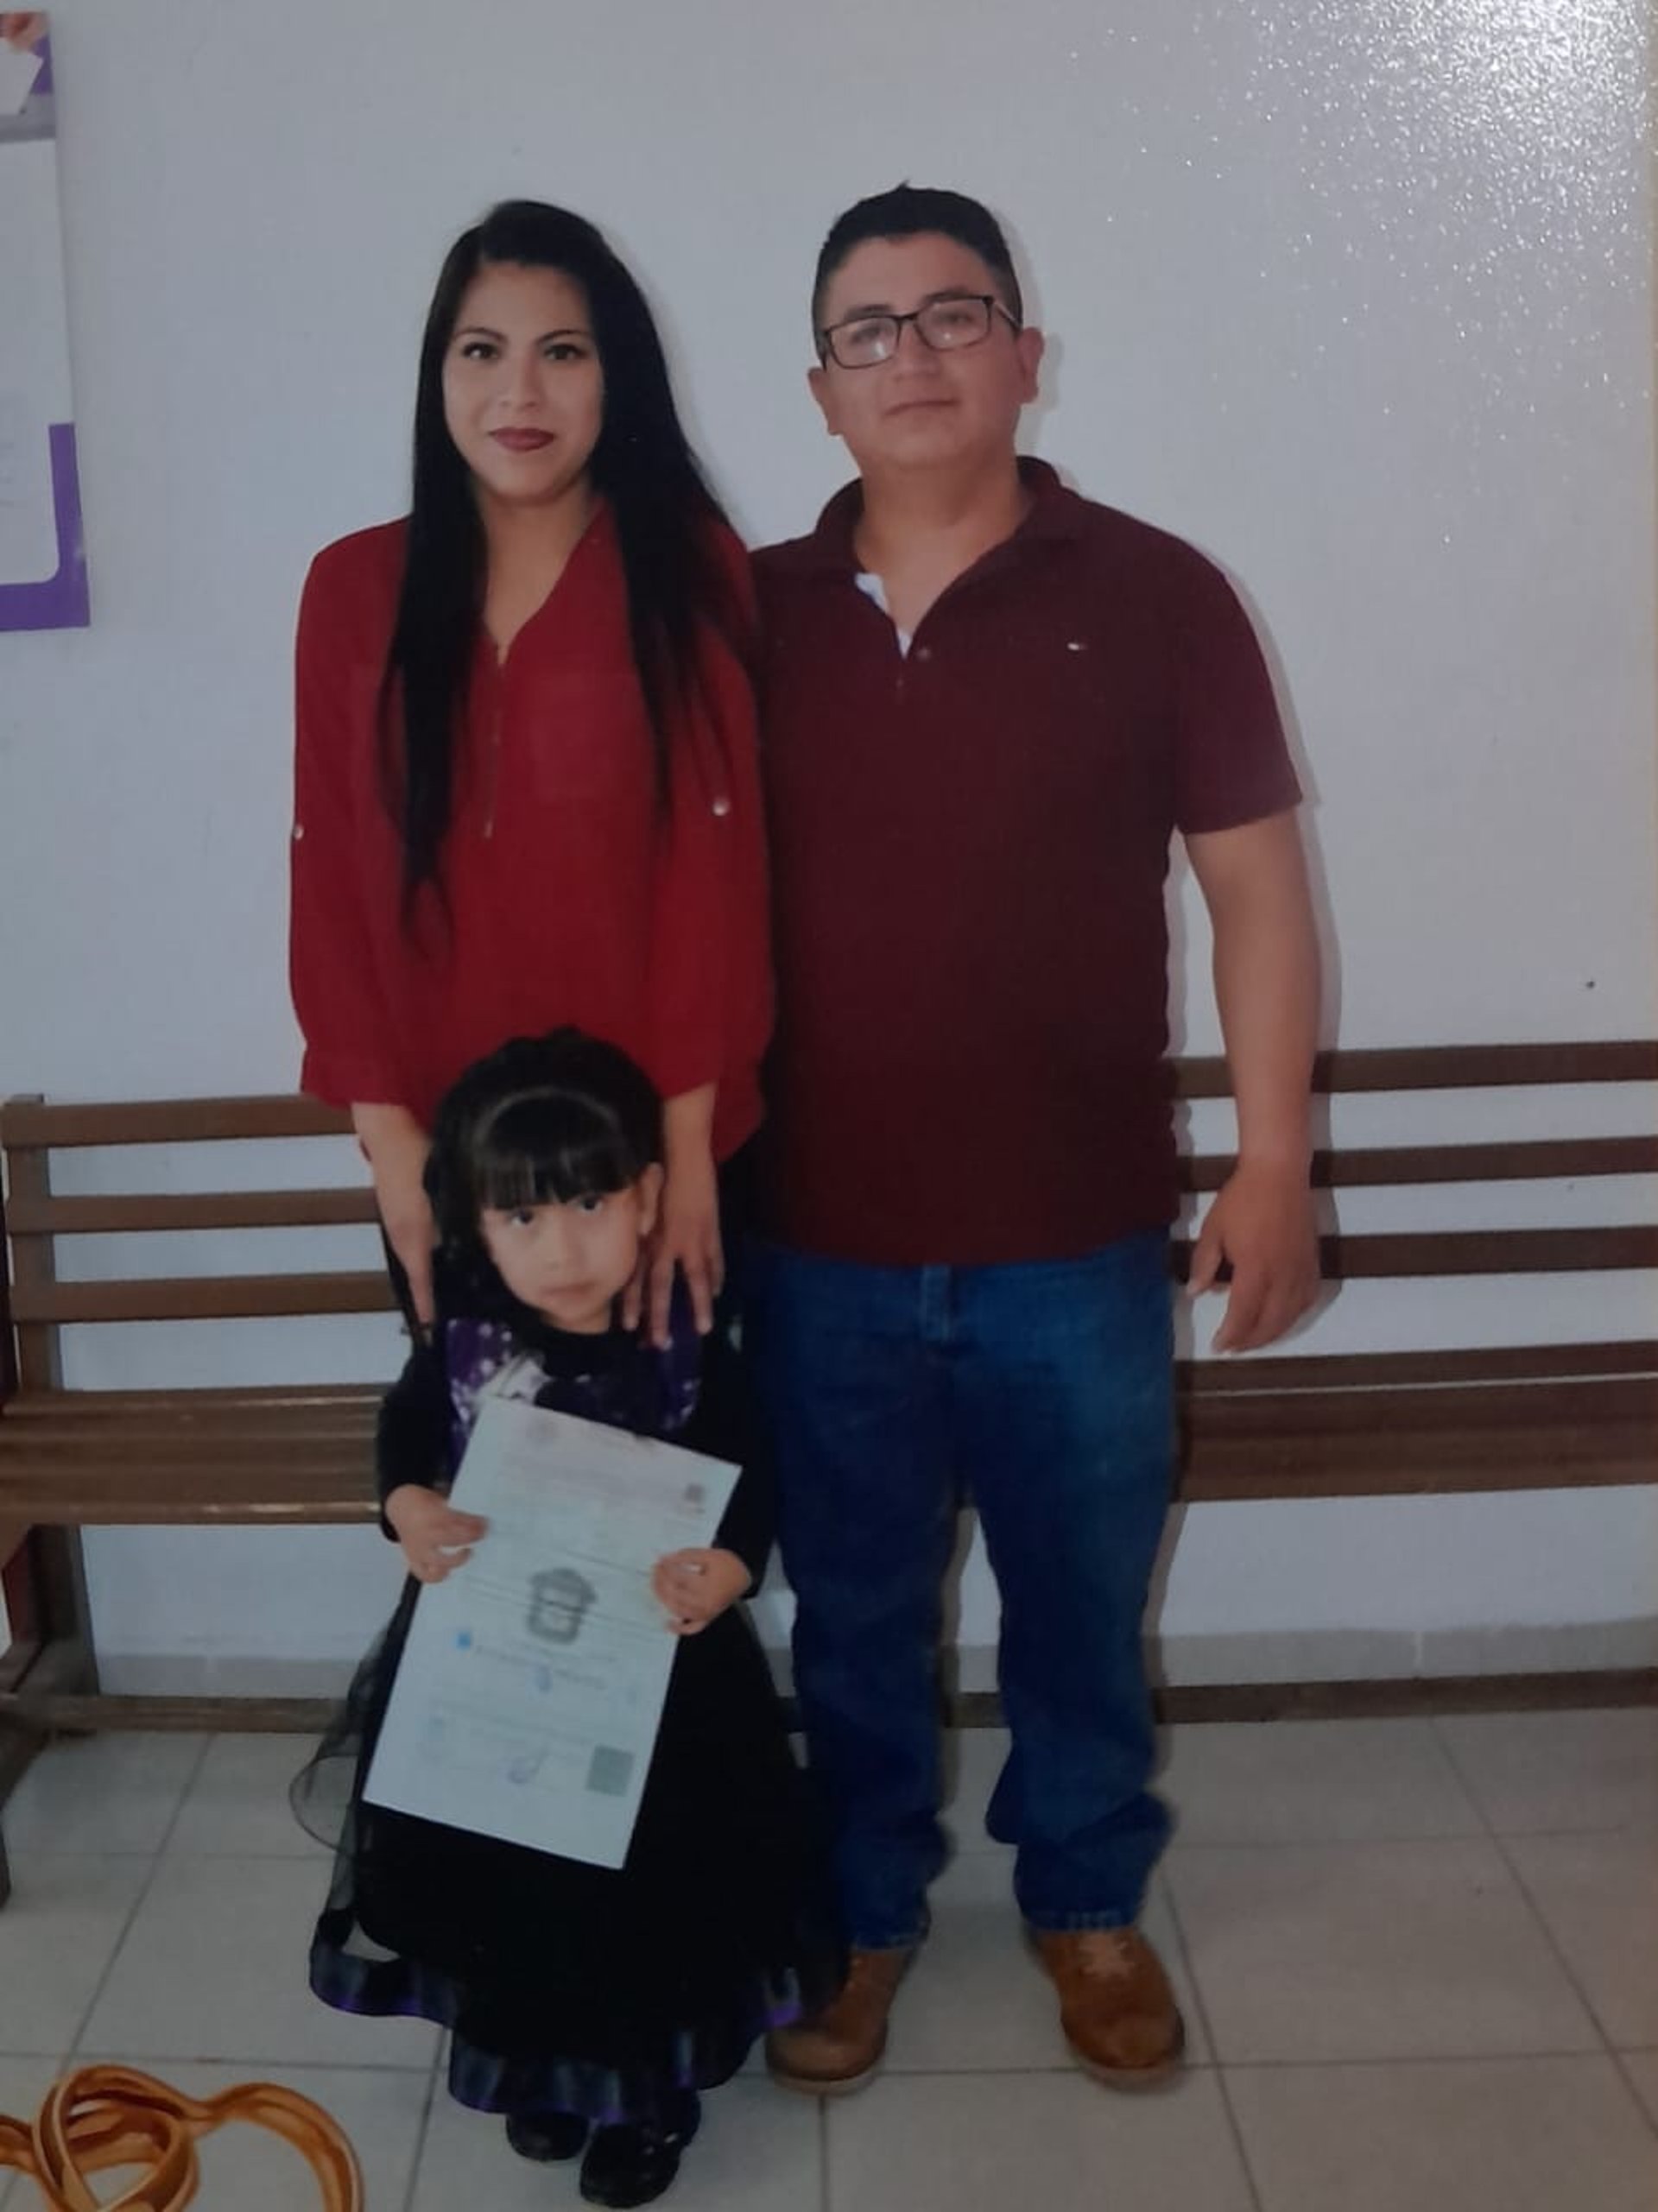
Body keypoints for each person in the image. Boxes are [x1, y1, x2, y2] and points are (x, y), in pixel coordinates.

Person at [748, 186, 1322, 2094]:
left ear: (1024, 353)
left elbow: (1254, 893)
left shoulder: (1157, 592)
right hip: (817, 1238)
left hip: (1075, 1238)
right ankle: (862, 1913)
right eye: (868, 329)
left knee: (1080, 1604)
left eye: (952, 314)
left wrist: (1272, 1161)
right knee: (852, 1615)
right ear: (822, 390)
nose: (911, 355)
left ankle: (1083, 1898)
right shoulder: (742, 616)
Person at [294, 1029, 841, 2209]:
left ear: (647, 1197)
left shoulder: (686, 1342)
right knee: (513, 1879)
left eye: (592, 1203)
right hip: (492, 1668)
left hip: (661, 1683)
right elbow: (405, 1432)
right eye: (524, 1216)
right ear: (477, 1226)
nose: (563, 1246)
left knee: (646, 1888)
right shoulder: (464, 1341)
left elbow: (751, 1463)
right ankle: (539, 2062)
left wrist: (731, 1565)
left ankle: (644, 2094)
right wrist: (407, 1505)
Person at [289, 199, 769, 1345]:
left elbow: (714, 883)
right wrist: (394, 1151)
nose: (520, 395)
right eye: (481, 352)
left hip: (641, 1165)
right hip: (452, 1160)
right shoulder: (354, 591)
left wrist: (685, 1158)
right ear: (437, 375)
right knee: (482, 1452)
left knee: (669, 1455)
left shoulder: (692, 576)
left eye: (562, 352)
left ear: (616, 377)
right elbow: (331, 877)